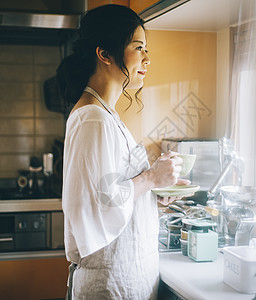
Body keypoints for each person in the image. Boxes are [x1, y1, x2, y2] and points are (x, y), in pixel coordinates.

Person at [57, 4, 191, 299]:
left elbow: (111, 195)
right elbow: (93, 207)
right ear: (104, 54)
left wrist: (154, 199)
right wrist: (151, 179)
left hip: (124, 278)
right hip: (111, 284)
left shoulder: (107, 116)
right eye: (138, 47)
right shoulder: (93, 118)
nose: (147, 58)